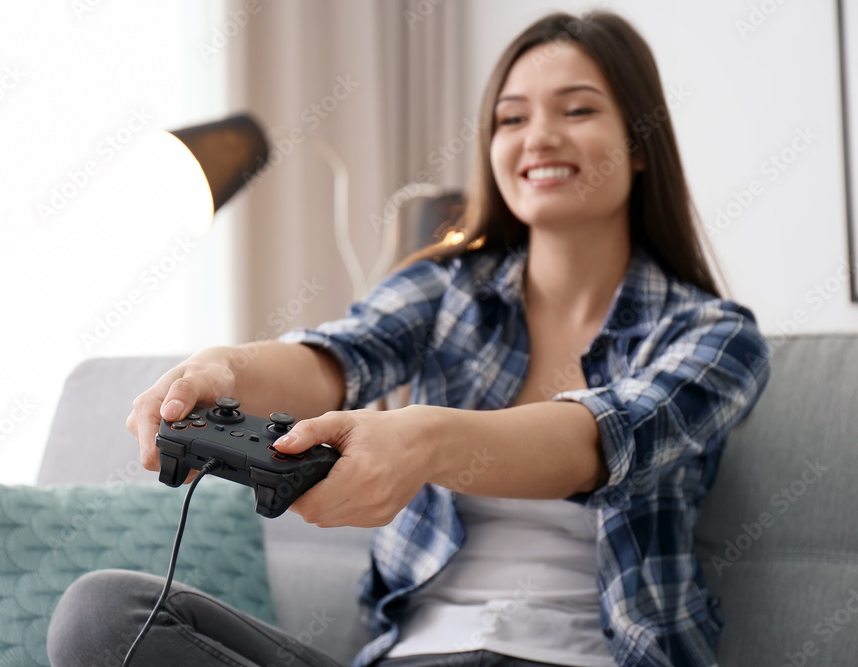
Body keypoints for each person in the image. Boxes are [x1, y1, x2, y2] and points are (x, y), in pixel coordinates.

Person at [48, 9, 771, 667]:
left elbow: (596, 441)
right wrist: (222, 369)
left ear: (641, 144)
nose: (538, 137)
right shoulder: (444, 290)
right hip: (413, 658)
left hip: (587, 658)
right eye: (510, 119)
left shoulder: (715, 338)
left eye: (578, 110)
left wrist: (422, 441)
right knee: (103, 615)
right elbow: (338, 355)